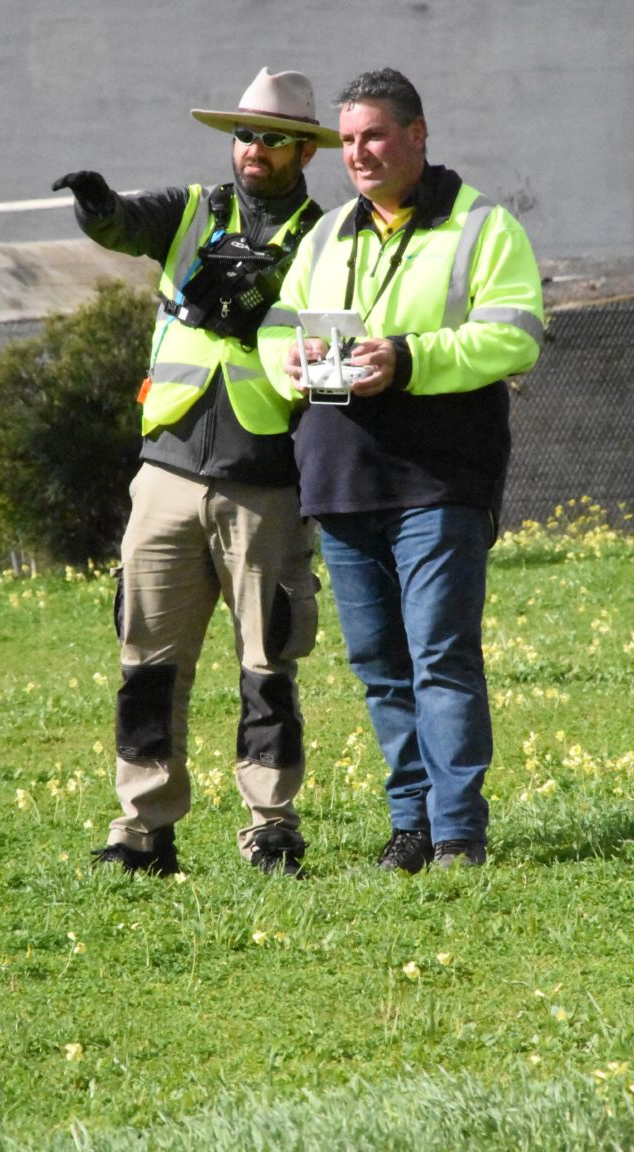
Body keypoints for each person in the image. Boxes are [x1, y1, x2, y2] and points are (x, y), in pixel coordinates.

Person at [52, 68, 341, 877]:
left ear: (303, 151)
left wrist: (268, 310)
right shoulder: (190, 211)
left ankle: (271, 826)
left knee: (268, 665)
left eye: (274, 138)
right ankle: (141, 830)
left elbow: (335, 366)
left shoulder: (329, 238)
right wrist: (96, 204)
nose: (255, 150)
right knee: (146, 663)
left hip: (265, 476)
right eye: (246, 135)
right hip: (167, 473)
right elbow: (122, 226)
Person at [258, 68, 544, 871]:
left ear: (418, 135)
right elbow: (274, 337)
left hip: (439, 480)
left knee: (440, 656)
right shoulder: (324, 236)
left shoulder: (484, 227)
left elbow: (515, 335)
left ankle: (458, 834)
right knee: (380, 665)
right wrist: (295, 358)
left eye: (374, 135)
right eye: (347, 141)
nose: (358, 153)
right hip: (341, 478)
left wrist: (407, 358)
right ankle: (410, 825)